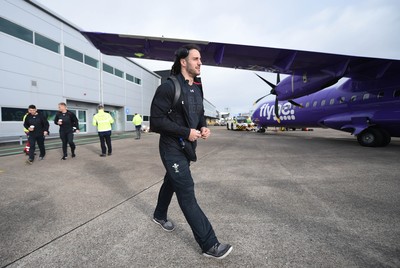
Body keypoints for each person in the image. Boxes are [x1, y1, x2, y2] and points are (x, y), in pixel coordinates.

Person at [150, 44, 232, 259]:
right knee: (186, 191)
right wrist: (186, 131)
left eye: (200, 59)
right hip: (171, 148)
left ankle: (159, 215)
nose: (200, 62)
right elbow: (156, 122)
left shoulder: (197, 87)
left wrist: (203, 126)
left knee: (172, 181)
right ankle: (209, 244)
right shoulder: (169, 87)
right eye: (195, 59)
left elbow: (200, 112)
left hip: (187, 148)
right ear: (183, 62)